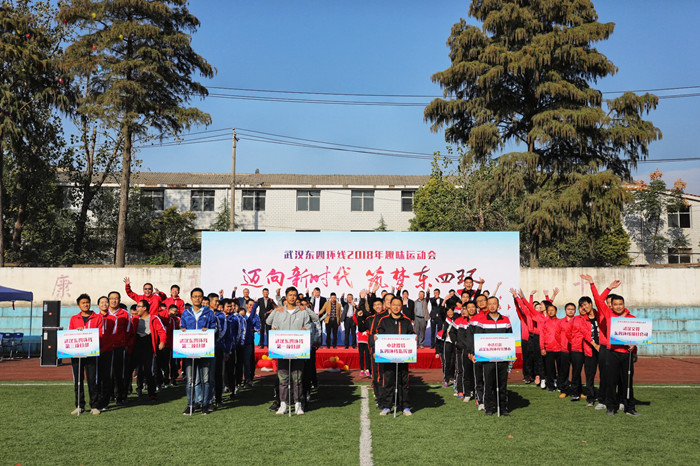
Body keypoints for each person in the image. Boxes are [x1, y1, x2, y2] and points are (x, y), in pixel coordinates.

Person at [580, 275, 640, 416]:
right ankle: (611, 407)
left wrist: (634, 347)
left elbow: (636, 338)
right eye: (615, 304)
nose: (618, 306)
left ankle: (629, 407)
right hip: (611, 353)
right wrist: (605, 287)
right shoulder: (608, 314)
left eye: (621, 304)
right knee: (611, 381)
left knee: (627, 383)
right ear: (611, 306)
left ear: (624, 304)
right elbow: (598, 300)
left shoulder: (632, 318)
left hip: (626, 354)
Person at [267, 286, 312, 415]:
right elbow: (272, 324)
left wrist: (306, 330)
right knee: (283, 379)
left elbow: (308, 327)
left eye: (294, 295)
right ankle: (283, 404)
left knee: (297, 379)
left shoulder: (302, 312)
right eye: (290, 295)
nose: (292, 297)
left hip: (298, 350)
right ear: (286, 297)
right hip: (282, 351)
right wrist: (274, 328)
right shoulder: (280, 312)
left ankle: (298, 404)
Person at [468, 296, 513, 416]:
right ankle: (488, 408)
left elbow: (509, 337)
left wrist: (510, 355)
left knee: (502, 384)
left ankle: (503, 408)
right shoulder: (482, 321)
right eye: (490, 304)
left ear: (498, 305)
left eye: (494, 304)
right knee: (488, 383)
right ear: (487, 306)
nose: (492, 306)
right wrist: (473, 352)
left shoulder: (506, 320)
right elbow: (478, 338)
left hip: (502, 358)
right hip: (487, 358)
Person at [180, 287, 217, 415]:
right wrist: (182, 331)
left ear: (202, 298)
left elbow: (214, 328)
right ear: (191, 298)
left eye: (199, 296)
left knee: (205, 379)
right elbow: (182, 327)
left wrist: (209, 331)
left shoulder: (209, 312)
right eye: (195, 296)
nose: (197, 298)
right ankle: (190, 405)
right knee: (191, 380)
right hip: (190, 351)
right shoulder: (186, 313)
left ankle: (205, 405)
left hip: (205, 350)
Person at [376, 296, 415, 416]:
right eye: (394, 305)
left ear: (401, 306)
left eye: (398, 305)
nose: (396, 307)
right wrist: (377, 338)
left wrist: (414, 338)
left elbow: (411, 334)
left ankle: (405, 406)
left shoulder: (406, 321)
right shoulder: (383, 320)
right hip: (388, 357)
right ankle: (387, 406)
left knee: (403, 382)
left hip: (403, 357)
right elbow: (379, 333)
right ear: (390, 306)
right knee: (388, 381)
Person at [69, 294, 103, 415]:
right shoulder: (74, 318)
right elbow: (70, 335)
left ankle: (94, 405)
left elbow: (101, 333)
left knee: (92, 379)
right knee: (78, 380)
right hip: (77, 353)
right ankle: (79, 405)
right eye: (83, 303)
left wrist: (87, 333)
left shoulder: (97, 317)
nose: (86, 305)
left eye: (87, 302)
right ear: (78, 305)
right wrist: (77, 332)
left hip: (91, 352)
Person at [131, 299, 166, 401]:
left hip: (148, 343)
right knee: (134, 368)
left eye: (139, 306)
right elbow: (129, 333)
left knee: (148, 369)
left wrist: (162, 342)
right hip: (137, 343)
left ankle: (152, 392)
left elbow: (162, 331)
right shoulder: (134, 319)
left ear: (145, 308)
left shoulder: (154, 318)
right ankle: (136, 389)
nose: (137, 308)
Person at [107, 291, 131, 405]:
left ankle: (120, 396)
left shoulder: (125, 314)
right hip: (106, 347)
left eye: (116, 298)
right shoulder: (103, 313)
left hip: (119, 347)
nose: (114, 300)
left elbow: (128, 330)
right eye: (111, 298)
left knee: (119, 373)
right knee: (107, 373)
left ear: (119, 300)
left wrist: (125, 344)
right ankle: (109, 395)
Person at [96, 296, 116, 411]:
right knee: (96, 377)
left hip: (108, 350)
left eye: (106, 302)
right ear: (98, 305)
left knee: (106, 376)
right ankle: (97, 400)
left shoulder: (113, 318)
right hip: (96, 351)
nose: (104, 304)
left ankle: (105, 402)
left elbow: (113, 334)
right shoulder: (95, 317)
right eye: (102, 302)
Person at [211, 293, 229, 408]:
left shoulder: (221, 316)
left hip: (218, 348)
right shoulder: (205, 314)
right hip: (206, 349)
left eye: (218, 301)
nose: (218, 303)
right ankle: (206, 400)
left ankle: (218, 398)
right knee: (207, 376)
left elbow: (225, 333)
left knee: (218, 374)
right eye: (216, 301)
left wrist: (227, 350)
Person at [539, 301, 561, 392]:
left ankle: (561, 385)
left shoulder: (560, 322)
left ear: (556, 311)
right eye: (549, 310)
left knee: (560, 368)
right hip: (549, 348)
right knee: (549, 369)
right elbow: (542, 336)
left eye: (552, 310)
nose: (551, 312)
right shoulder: (544, 323)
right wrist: (542, 348)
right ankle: (551, 386)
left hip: (560, 349)